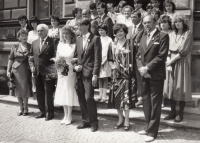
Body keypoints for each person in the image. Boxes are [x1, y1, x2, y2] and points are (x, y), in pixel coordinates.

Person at [136, 15, 169, 142]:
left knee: (155, 104)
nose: (146, 25)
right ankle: (148, 126)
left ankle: (152, 132)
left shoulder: (163, 36)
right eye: (144, 23)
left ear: (155, 23)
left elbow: (162, 56)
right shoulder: (144, 36)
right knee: (146, 102)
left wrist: (147, 68)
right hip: (144, 75)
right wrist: (142, 70)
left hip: (156, 75)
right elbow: (138, 56)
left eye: (149, 22)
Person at [74, 18, 102, 132]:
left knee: (89, 98)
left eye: (81, 26)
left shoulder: (95, 39)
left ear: (87, 26)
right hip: (80, 73)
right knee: (81, 97)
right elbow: (76, 56)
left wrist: (95, 74)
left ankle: (94, 122)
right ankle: (85, 121)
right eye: (78, 26)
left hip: (90, 73)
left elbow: (97, 58)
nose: (79, 28)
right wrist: (75, 65)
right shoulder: (78, 39)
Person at [107, 23, 137, 131]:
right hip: (116, 76)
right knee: (117, 100)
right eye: (117, 31)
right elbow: (110, 59)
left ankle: (127, 120)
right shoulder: (112, 44)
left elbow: (135, 59)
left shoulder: (131, 43)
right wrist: (112, 66)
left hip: (127, 76)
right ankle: (120, 119)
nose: (119, 33)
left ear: (125, 31)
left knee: (126, 100)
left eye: (121, 31)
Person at [164, 13, 192, 122]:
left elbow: (183, 51)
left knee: (181, 87)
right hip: (170, 63)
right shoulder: (171, 34)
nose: (177, 24)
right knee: (171, 87)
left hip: (180, 62)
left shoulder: (187, 33)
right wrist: (168, 61)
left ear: (183, 22)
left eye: (179, 21)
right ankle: (172, 112)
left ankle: (180, 113)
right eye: (175, 22)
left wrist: (170, 61)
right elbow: (166, 49)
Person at [29, 24, 56, 121]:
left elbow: (55, 58)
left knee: (49, 92)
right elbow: (31, 57)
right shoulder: (34, 42)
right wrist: (32, 67)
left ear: (46, 31)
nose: (39, 32)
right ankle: (42, 111)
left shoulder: (52, 42)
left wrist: (52, 71)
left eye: (41, 31)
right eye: (38, 31)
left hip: (48, 72)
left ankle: (50, 113)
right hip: (37, 71)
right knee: (39, 92)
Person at [54, 26, 79, 125]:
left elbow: (77, 57)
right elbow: (58, 57)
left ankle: (70, 115)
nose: (65, 35)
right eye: (63, 33)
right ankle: (65, 115)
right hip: (61, 71)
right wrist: (56, 63)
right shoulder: (60, 45)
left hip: (70, 71)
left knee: (68, 90)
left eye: (67, 33)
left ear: (71, 35)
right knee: (62, 91)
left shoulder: (74, 45)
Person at [7, 29, 32, 116]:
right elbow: (10, 59)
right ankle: (20, 108)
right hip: (16, 70)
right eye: (22, 35)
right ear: (19, 37)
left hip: (26, 69)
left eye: (25, 35)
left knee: (25, 89)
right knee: (18, 90)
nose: (24, 37)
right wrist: (8, 70)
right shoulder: (15, 46)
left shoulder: (30, 46)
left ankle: (26, 108)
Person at [127, 10, 144, 107]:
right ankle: (132, 96)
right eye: (131, 17)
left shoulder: (143, 28)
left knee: (139, 77)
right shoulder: (129, 28)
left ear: (139, 18)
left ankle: (141, 97)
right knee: (131, 77)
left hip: (139, 57)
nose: (132, 18)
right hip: (129, 56)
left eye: (134, 17)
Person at [158, 15, 173, 108]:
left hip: (170, 58)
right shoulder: (158, 34)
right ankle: (161, 101)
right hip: (160, 59)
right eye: (161, 23)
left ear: (169, 24)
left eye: (165, 23)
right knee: (160, 81)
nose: (162, 24)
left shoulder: (171, 34)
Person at [98, 24, 112, 102]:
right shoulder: (97, 39)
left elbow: (109, 51)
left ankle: (104, 95)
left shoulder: (109, 39)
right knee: (100, 78)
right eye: (99, 30)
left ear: (106, 30)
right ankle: (100, 94)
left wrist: (105, 59)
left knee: (105, 77)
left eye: (102, 30)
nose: (101, 32)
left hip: (106, 60)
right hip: (99, 61)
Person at [27, 16, 40, 98]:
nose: (33, 24)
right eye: (31, 22)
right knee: (32, 72)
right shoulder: (30, 33)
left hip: (38, 52)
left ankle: (38, 90)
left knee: (37, 72)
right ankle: (33, 90)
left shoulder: (40, 31)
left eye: (34, 22)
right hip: (31, 52)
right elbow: (28, 43)